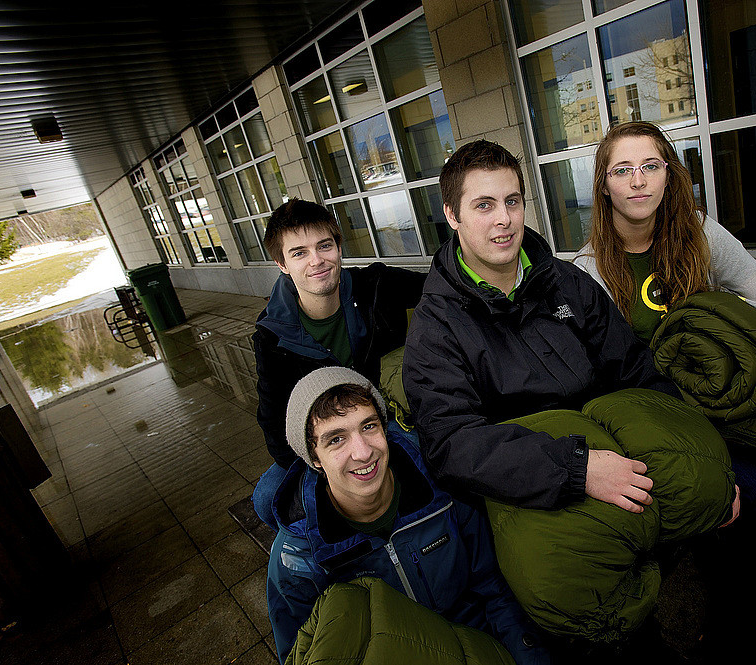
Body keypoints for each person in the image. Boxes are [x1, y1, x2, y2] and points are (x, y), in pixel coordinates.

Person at [572, 121, 756, 664]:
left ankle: (753, 624)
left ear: (670, 175)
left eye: (651, 166)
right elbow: (601, 380)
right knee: (735, 502)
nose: (638, 181)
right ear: (604, 186)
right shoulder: (588, 271)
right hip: (658, 417)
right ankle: (743, 626)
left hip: (720, 404)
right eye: (622, 170)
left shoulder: (700, 234)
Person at [402, 138, 679, 514]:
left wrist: (687, 449)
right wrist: (577, 469)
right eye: (484, 205)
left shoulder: (567, 282)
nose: (504, 219)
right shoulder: (435, 328)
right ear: (452, 215)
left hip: (615, 451)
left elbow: (635, 369)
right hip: (531, 494)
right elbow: (452, 444)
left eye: (512, 201)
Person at [265, 366, 550, 665]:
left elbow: (493, 587)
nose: (363, 453)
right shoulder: (297, 559)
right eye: (336, 439)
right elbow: (302, 654)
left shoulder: (441, 486)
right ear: (314, 458)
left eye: (368, 426)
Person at [252, 199, 426, 529]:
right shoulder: (273, 334)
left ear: (338, 247)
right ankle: (340, 548)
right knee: (267, 498)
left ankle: (421, 532)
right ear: (282, 264)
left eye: (324, 246)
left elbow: (440, 287)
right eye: (299, 253)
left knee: (424, 456)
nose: (317, 260)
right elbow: (274, 422)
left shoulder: (375, 286)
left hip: (387, 421)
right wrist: (323, 466)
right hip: (324, 442)